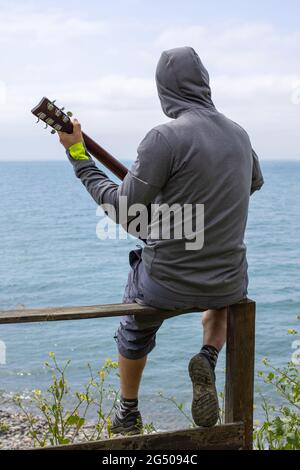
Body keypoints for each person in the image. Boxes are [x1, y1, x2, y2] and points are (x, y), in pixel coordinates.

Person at [58, 46, 264, 434]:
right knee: (219, 302)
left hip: (165, 283)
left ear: (163, 90)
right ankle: (207, 356)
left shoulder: (163, 137)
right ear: (205, 83)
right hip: (227, 279)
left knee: (134, 326)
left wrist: (79, 156)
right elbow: (251, 183)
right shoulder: (240, 135)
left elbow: (124, 209)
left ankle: (128, 412)